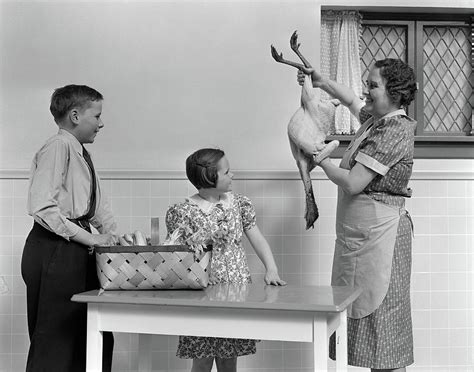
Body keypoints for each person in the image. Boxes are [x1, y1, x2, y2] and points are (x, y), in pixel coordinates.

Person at [297, 58, 417, 372]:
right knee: (371, 330)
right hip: (365, 239)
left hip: (383, 241)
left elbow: (353, 183)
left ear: (395, 92)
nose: (367, 91)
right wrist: (321, 82)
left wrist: (321, 159)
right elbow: (351, 100)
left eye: (373, 85)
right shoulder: (376, 120)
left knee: (385, 332)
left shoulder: (394, 129)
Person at [21, 84, 119, 372]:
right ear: (75, 116)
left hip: (75, 248)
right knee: (56, 339)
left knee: (91, 332)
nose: (101, 123)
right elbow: (43, 208)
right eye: (97, 115)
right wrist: (92, 238)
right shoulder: (58, 147)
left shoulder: (80, 152)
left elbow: (97, 206)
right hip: (54, 249)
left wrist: (112, 239)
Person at [165, 148, 286, 372]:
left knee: (229, 359)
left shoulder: (239, 204)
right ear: (210, 177)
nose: (233, 175)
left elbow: (257, 238)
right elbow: (175, 253)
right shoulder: (183, 211)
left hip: (236, 292)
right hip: (202, 296)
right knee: (201, 359)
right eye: (227, 172)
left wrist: (272, 269)